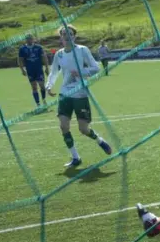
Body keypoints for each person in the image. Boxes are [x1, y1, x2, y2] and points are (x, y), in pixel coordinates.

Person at [45, 25, 113, 168]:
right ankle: (75, 157)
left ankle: (99, 140)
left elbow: (96, 68)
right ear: (61, 38)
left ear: (74, 36)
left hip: (80, 93)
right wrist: (49, 86)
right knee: (64, 126)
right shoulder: (59, 54)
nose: (67, 36)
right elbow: (54, 72)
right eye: (64, 34)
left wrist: (81, 72)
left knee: (83, 129)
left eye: (70, 34)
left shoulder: (82, 50)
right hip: (65, 94)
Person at [18, 34, 50, 109]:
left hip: (39, 70)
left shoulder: (38, 47)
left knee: (42, 85)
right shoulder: (22, 49)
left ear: (33, 39)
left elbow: (44, 57)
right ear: (25, 40)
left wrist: (47, 67)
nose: (29, 40)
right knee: (34, 87)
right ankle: (38, 104)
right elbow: (20, 60)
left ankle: (44, 100)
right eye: (27, 39)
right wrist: (22, 69)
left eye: (30, 38)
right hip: (30, 70)